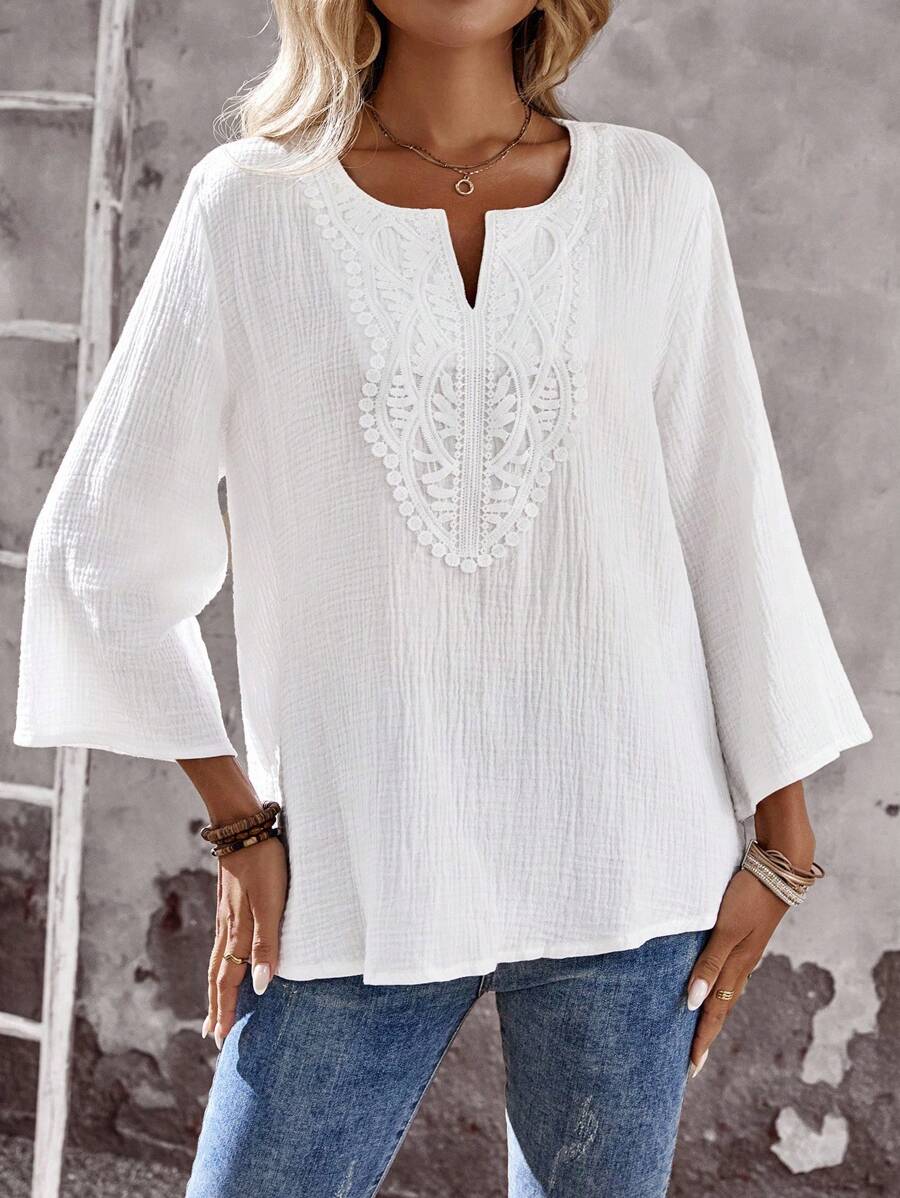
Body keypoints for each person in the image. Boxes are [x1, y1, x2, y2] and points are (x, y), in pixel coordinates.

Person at [14, 2, 873, 1195]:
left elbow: (729, 517)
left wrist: (783, 832)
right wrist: (238, 820)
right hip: (360, 863)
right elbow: (100, 541)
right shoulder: (249, 207)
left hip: (631, 860)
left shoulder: (654, 196)